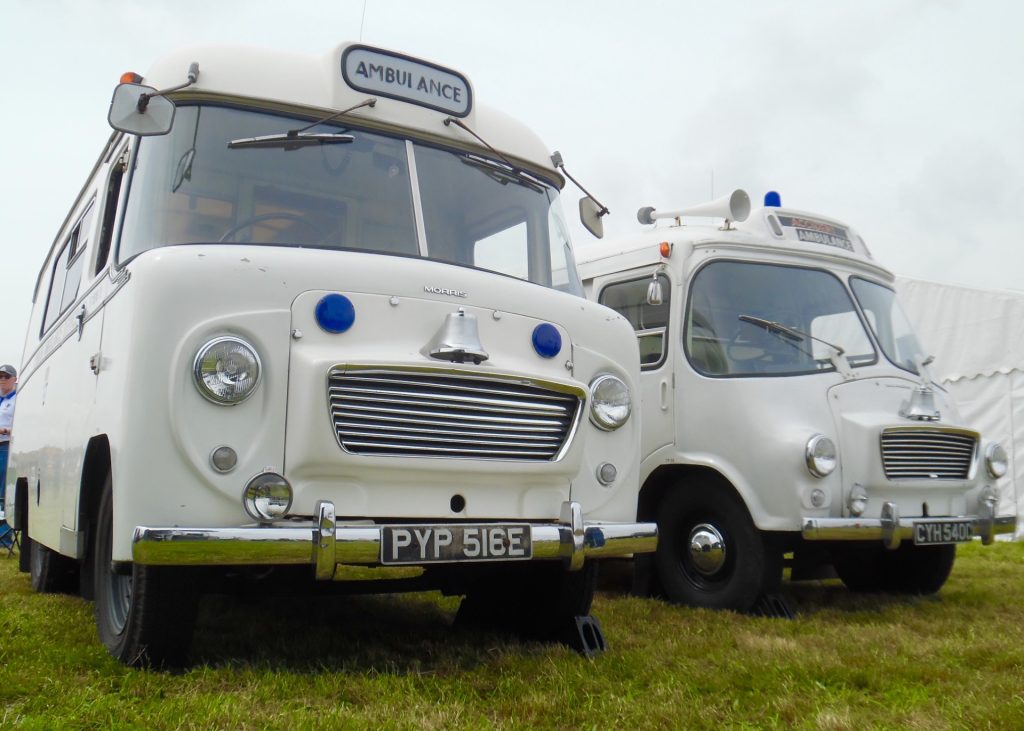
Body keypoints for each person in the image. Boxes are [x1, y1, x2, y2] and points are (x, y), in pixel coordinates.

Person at [0, 364, 17, 503]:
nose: (3, 379)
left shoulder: (16, 399)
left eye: (6, 376)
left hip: (6, 446)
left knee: (3, 483)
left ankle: (3, 519)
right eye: (0, 376)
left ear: (14, 380)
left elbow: (22, 426)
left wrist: (4, 430)